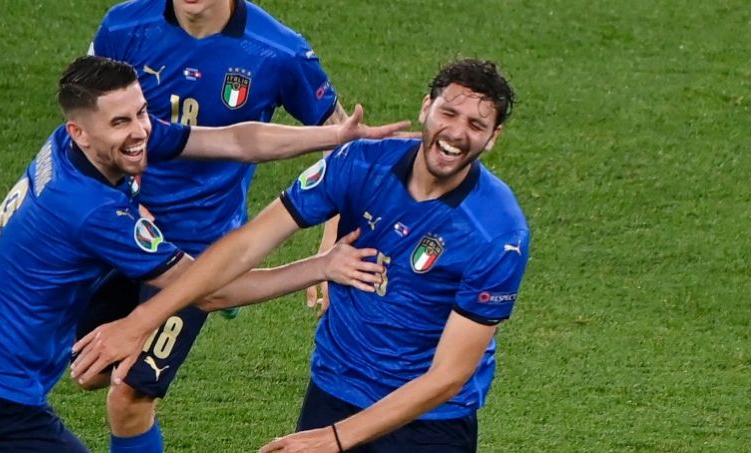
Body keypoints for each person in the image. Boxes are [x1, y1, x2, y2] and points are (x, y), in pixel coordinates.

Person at [0, 55, 405, 451]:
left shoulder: (72, 147)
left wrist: (335, 136)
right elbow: (211, 290)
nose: (141, 129)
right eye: (122, 121)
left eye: (141, 111)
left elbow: (231, 140)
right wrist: (321, 266)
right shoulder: (92, 211)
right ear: (81, 130)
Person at [71, 59, 531, 452]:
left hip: (430, 425)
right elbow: (248, 243)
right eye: (448, 112)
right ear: (426, 108)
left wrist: (334, 439)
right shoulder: (360, 163)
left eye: (476, 125)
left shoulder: (498, 232)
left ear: (493, 138)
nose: (456, 133)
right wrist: (139, 321)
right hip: (334, 388)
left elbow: (448, 376)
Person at [83, 0, 349, 448]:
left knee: (128, 398)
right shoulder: (123, 28)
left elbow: (342, 140)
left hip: (197, 250)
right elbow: (84, 124)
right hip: (110, 227)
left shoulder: (278, 53)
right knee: (72, 365)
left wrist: (334, 225)